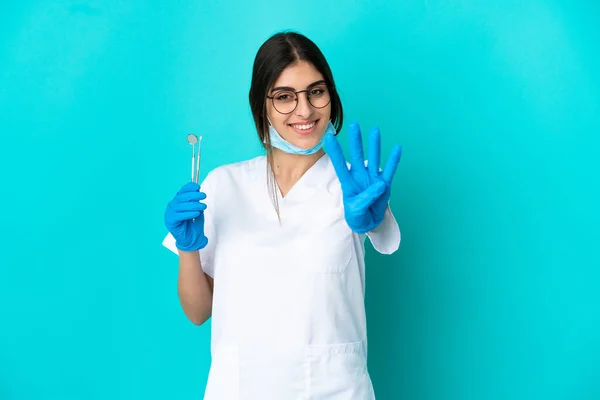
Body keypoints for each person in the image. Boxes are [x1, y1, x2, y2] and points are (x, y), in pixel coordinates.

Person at [162, 31, 402, 400]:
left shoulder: (355, 184)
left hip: (333, 389)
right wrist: (188, 248)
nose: (304, 110)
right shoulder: (224, 184)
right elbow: (198, 313)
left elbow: (384, 238)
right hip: (240, 389)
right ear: (262, 105)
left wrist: (373, 220)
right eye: (285, 97)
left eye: (316, 92)